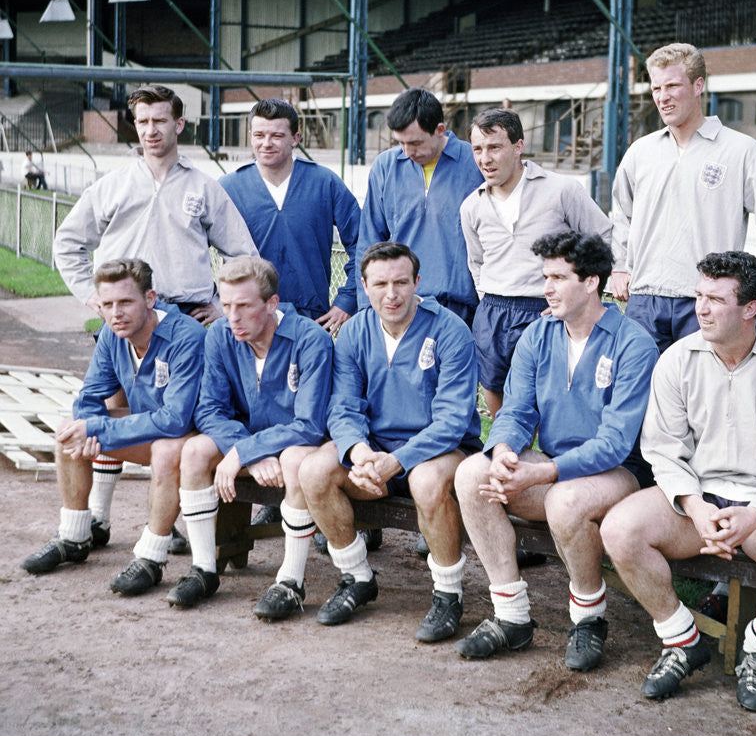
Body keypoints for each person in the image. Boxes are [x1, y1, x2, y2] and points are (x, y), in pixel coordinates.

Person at [601, 251, 756, 711]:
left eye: (715, 299)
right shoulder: (677, 359)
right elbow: (663, 449)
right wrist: (694, 504)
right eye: (698, 296)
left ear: (750, 309)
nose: (700, 309)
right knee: (619, 530)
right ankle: (681, 641)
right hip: (697, 500)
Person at [53, 84, 257, 550]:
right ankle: (95, 522)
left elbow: (243, 254)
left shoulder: (203, 187)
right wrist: (93, 297)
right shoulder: (114, 184)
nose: (151, 130)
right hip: (124, 316)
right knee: (112, 412)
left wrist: (220, 305)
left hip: (184, 318)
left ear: (179, 124)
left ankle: (168, 527)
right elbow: (67, 242)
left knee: (176, 425)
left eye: (160, 120)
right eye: (142, 122)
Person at [453, 230, 658, 671]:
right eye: (544, 276)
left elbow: (615, 443)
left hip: (622, 473)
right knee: (473, 473)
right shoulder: (539, 334)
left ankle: (588, 618)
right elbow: (517, 409)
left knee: (566, 501)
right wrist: (505, 448)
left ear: (591, 282)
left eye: (559, 277)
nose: (546, 287)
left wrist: (542, 474)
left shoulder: (633, 342)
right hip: (557, 467)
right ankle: (510, 616)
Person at [299, 241, 482, 642]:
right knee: (314, 470)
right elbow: (343, 407)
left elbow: (452, 422)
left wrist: (395, 461)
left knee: (426, 482)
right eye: (380, 283)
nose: (392, 293)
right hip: (375, 451)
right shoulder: (353, 333)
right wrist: (360, 452)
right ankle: (356, 577)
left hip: (438, 451)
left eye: (401, 282)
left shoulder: (450, 329)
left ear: (417, 281)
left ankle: (448, 595)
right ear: (364, 286)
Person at [20, 258, 205, 596]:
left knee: (165, 449)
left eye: (125, 302)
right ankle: (74, 538)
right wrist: (89, 428)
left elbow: (176, 419)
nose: (115, 313)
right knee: (69, 432)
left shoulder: (186, 336)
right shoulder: (111, 333)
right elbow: (90, 395)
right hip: (150, 430)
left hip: (196, 441)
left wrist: (101, 432)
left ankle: (151, 557)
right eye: (107, 304)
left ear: (150, 299)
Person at [166, 256, 334, 618]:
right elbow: (209, 410)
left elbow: (310, 423)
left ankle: (291, 581)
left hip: (297, 442)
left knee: (295, 460)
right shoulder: (220, 336)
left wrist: (245, 452)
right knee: (194, 451)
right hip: (246, 439)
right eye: (225, 305)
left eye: (243, 306)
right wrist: (249, 452)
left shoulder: (311, 340)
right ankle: (204, 569)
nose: (232, 316)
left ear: (272, 304)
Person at [610, 43, 756, 354]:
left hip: (708, 300)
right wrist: (618, 266)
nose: (662, 96)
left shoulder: (742, 151)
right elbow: (621, 214)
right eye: (656, 88)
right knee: (641, 398)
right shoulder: (640, 152)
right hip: (645, 299)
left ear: (698, 85)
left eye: (672, 85)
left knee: (703, 398)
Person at [460, 108, 612, 417]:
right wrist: (488, 302)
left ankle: (554, 462)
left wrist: (580, 299)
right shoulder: (471, 206)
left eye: (494, 147)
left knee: (552, 405)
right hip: (493, 312)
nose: (485, 158)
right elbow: (476, 262)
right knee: (499, 401)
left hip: (544, 310)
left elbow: (603, 238)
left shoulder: (561, 190)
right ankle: (512, 457)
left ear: (518, 147)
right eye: (478, 149)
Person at [220, 98, 361, 337]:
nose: (266, 143)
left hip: (311, 319)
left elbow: (364, 243)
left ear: (295, 138)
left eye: (276, 136)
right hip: (247, 320)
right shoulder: (228, 188)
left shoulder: (324, 183)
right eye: (259, 135)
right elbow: (193, 246)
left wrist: (347, 300)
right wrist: (213, 299)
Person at [357, 87, 482, 325]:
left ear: (440, 130)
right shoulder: (385, 166)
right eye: (401, 143)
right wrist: (366, 306)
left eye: (415, 142)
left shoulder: (476, 162)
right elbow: (369, 239)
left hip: (462, 308)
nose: (407, 151)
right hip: (399, 305)